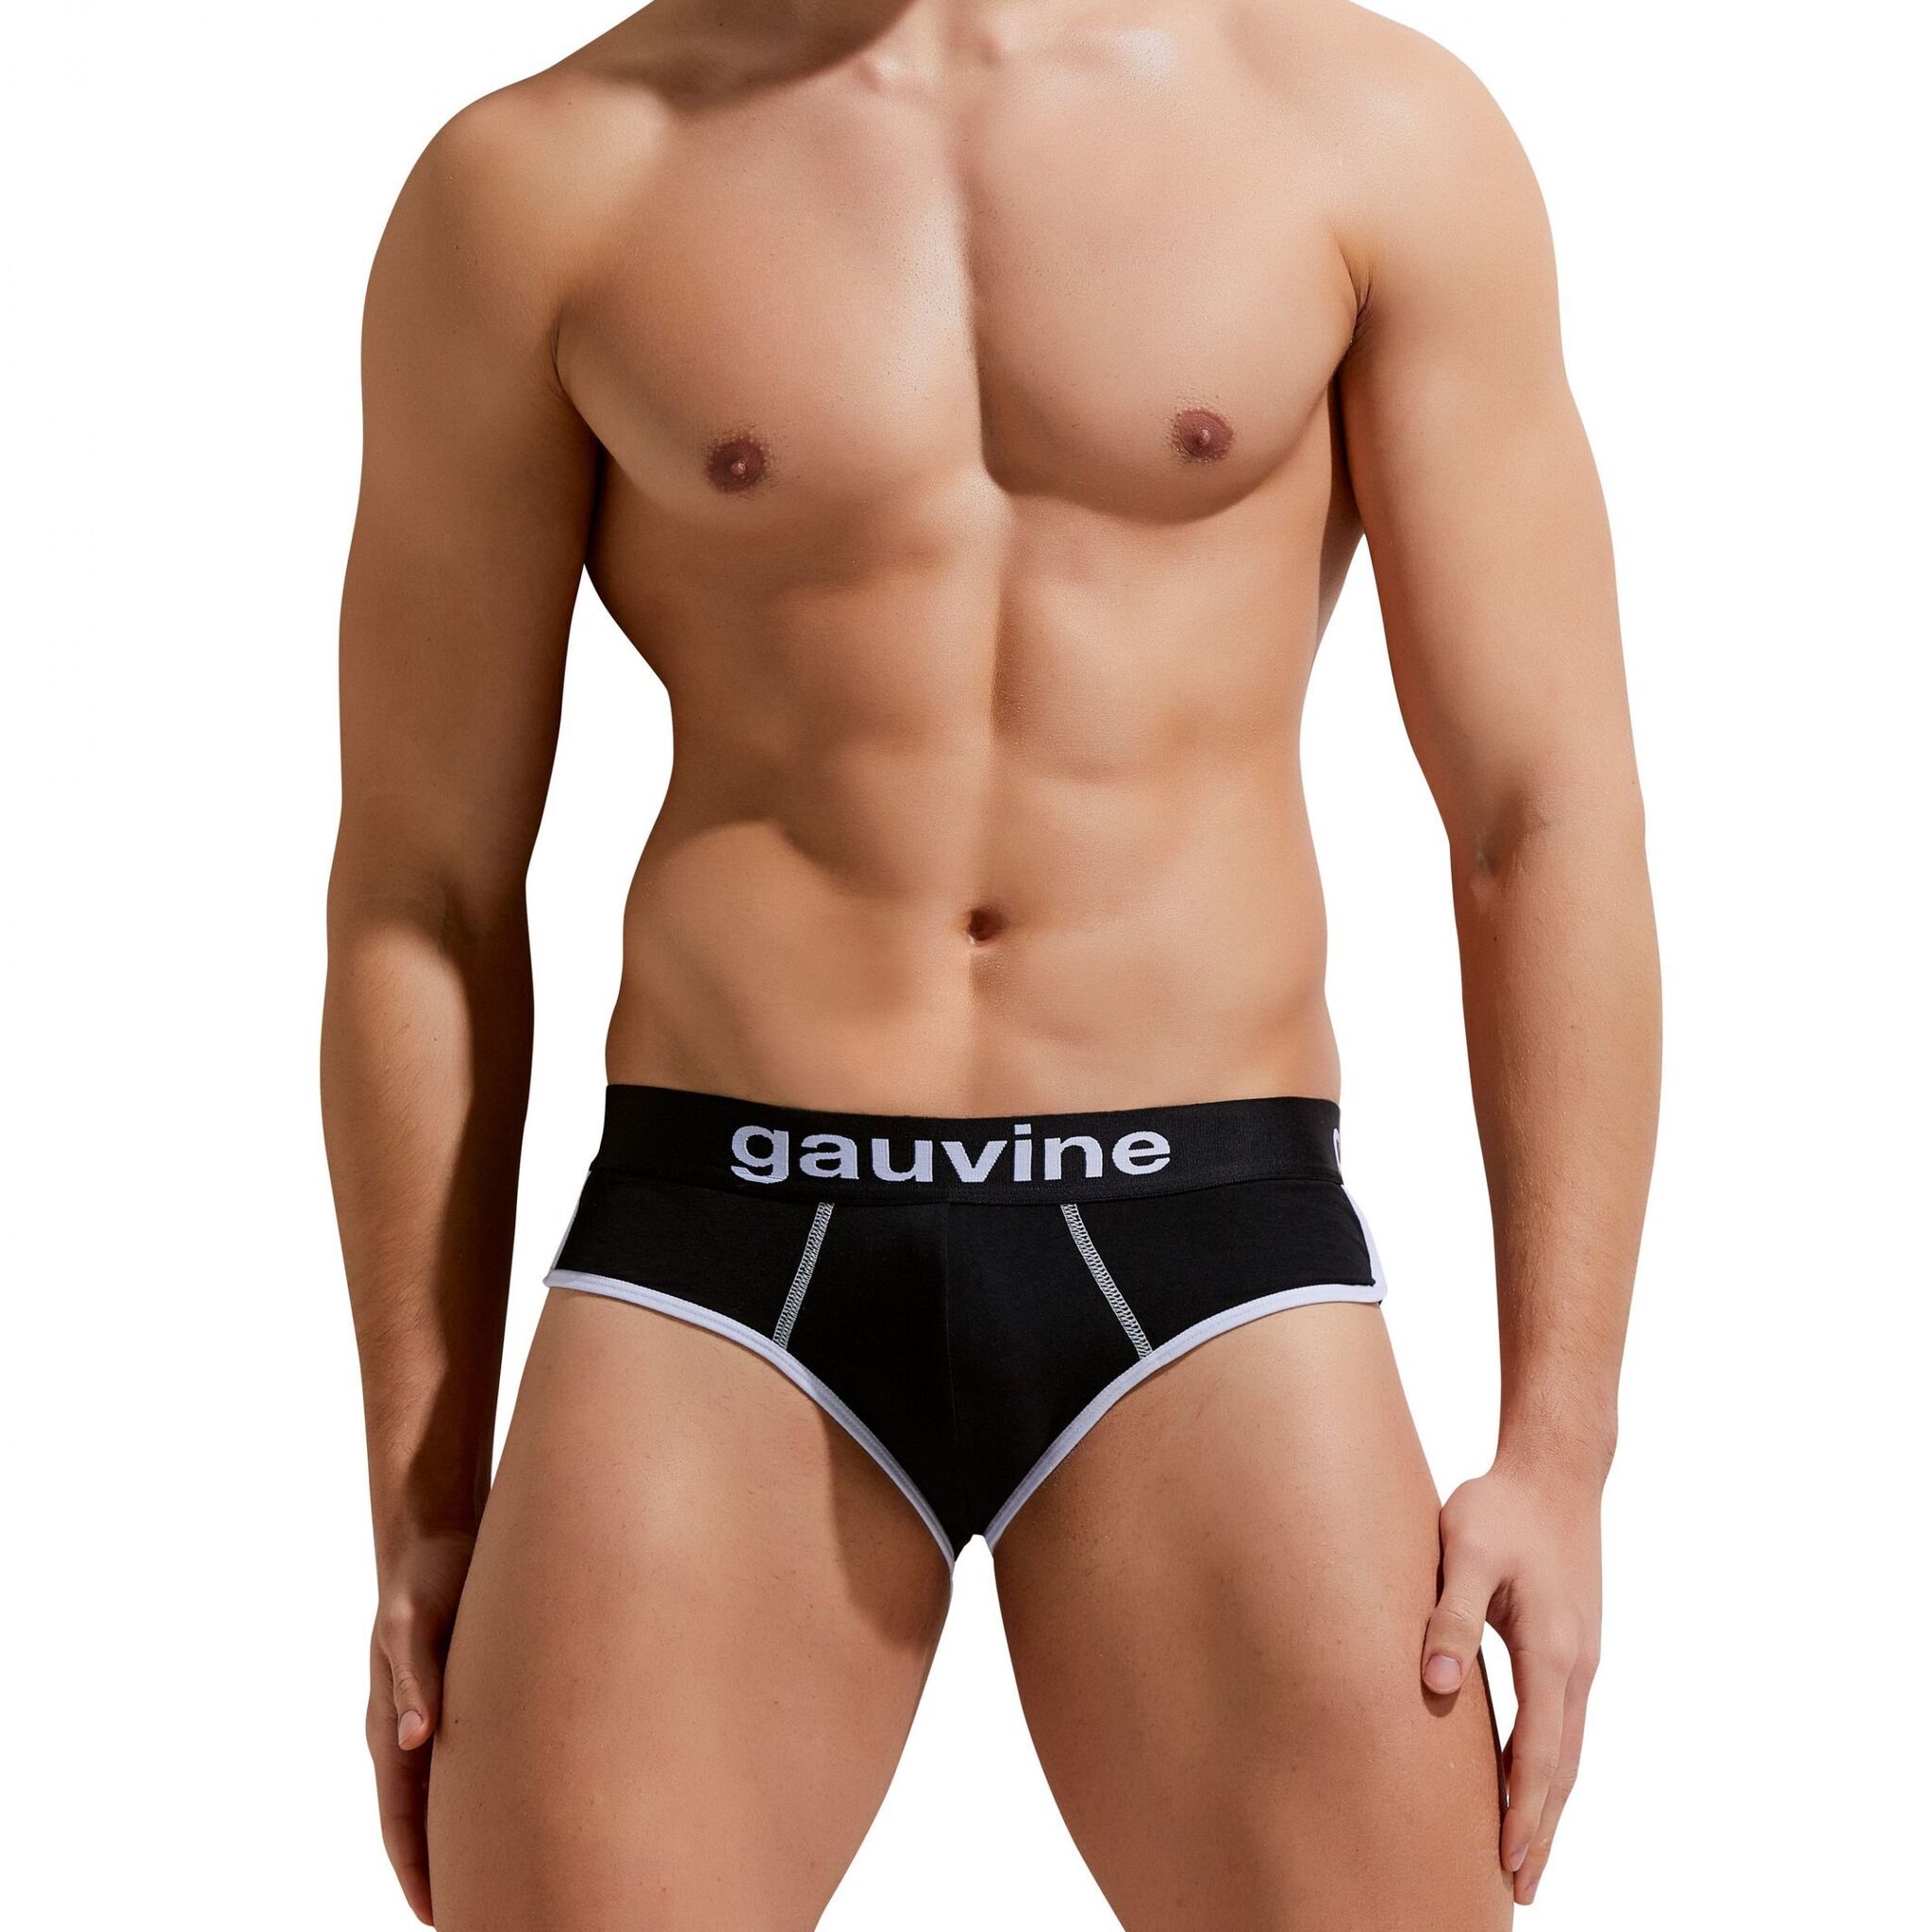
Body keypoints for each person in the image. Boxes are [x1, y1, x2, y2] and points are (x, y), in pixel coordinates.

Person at [322, 0, 1659, 1923]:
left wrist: (1559, 1450)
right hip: (722, 1252)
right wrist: (420, 1489)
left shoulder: (1367, 132)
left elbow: (1540, 815)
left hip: (1205, 1243)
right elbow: (426, 889)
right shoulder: (546, 179)